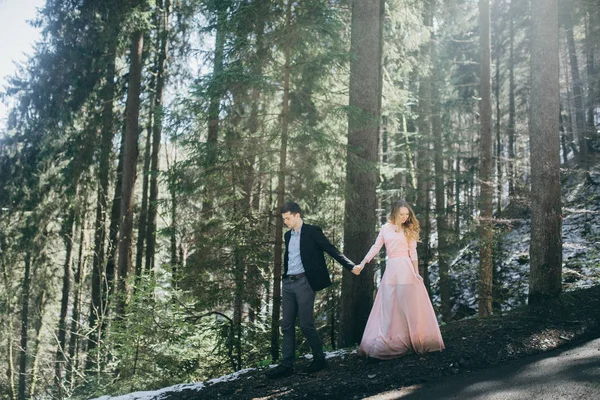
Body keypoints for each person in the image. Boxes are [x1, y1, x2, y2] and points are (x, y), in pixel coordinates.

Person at [266, 201, 361, 379]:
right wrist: (285, 278)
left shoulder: (312, 232)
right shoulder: (288, 236)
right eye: (283, 219)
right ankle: (287, 365)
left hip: (304, 283)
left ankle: (319, 359)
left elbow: (330, 249)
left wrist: (350, 266)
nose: (285, 222)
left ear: (297, 215)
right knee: (286, 325)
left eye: (287, 218)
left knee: (305, 324)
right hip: (288, 283)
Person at [355, 200, 444, 359]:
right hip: (391, 269)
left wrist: (416, 272)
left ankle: (412, 338)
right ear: (395, 213)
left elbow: (413, 253)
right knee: (389, 305)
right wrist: (363, 262)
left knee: (406, 306)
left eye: (407, 214)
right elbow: (376, 247)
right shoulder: (385, 228)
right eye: (401, 214)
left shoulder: (408, 229)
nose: (404, 217)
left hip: (405, 268)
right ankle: (390, 339)